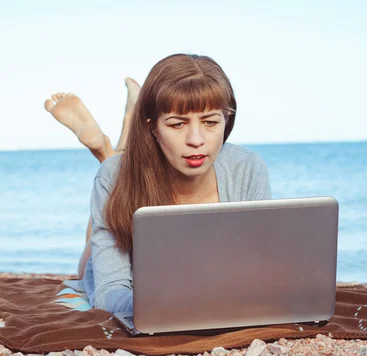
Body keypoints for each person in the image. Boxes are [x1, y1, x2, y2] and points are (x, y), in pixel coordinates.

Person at [44, 53, 272, 314]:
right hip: (128, 259)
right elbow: (110, 288)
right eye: (177, 124)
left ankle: (121, 137)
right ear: (152, 127)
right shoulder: (111, 177)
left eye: (210, 122)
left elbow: (259, 269)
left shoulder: (247, 168)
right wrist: (159, 309)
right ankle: (106, 150)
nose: (196, 140)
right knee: (87, 264)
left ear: (226, 121)